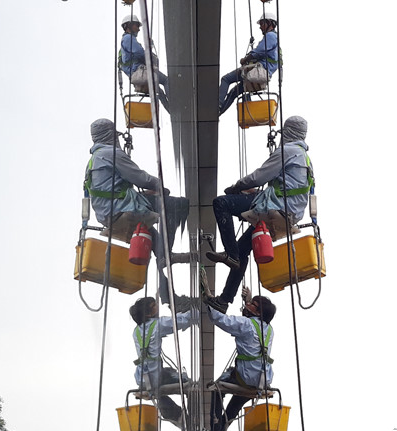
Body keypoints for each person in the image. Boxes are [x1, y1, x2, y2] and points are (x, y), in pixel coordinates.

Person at [205, 116, 313, 313]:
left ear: (288, 132)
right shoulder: (305, 158)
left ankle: (230, 255)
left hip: (275, 207)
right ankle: (224, 299)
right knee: (242, 249)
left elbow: (258, 177)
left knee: (222, 204)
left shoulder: (287, 151)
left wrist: (236, 187)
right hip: (288, 215)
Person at [85, 118, 191, 309]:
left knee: (155, 246)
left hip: (109, 214)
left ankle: (169, 296)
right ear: (110, 134)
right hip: (123, 208)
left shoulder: (92, 161)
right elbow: (140, 178)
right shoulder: (111, 154)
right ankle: (169, 252)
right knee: (178, 205)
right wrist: (160, 186)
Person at [204, 290, 276, 431]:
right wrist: (250, 301)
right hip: (262, 380)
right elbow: (253, 325)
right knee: (235, 404)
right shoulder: (268, 329)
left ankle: (215, 429)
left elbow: (220, 319)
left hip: (246, 376)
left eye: (252, 305)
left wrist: (208, 301)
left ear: (257, 312)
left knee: (217, 389)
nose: (247, 306)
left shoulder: (246, 325)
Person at [130, 297, 192, 431]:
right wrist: (198, 312)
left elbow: (150, 339)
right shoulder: (158, 325)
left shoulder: (136, 332)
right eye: (154, 305)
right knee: (187, 382)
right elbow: (179, 321)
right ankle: (187, 417)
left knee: (160, 392)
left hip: (142, 378)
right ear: (148, 314)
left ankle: (180, 418)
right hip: (155, 375)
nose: (158, 306)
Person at [218, 12, 280, 116]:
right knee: (234, 92)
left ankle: (218, 104)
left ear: (270, 23)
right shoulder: (277, 43)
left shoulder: (271, 36)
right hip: (262, 76)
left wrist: (246, 58)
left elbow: (260, 50)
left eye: (262, 24)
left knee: (226, 79)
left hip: (257, 71)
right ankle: (218, 113)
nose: (260, 27)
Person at [119, 14, 170, 111]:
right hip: (141, 72)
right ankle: (175, 104)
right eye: (136, 26)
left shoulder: (125, 43)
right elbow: (140, 52)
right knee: (166, 80)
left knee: (158, 92)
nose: (138, 29)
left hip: (136, 76)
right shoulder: (128, 38)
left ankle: (172, 111)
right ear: (129, 25)